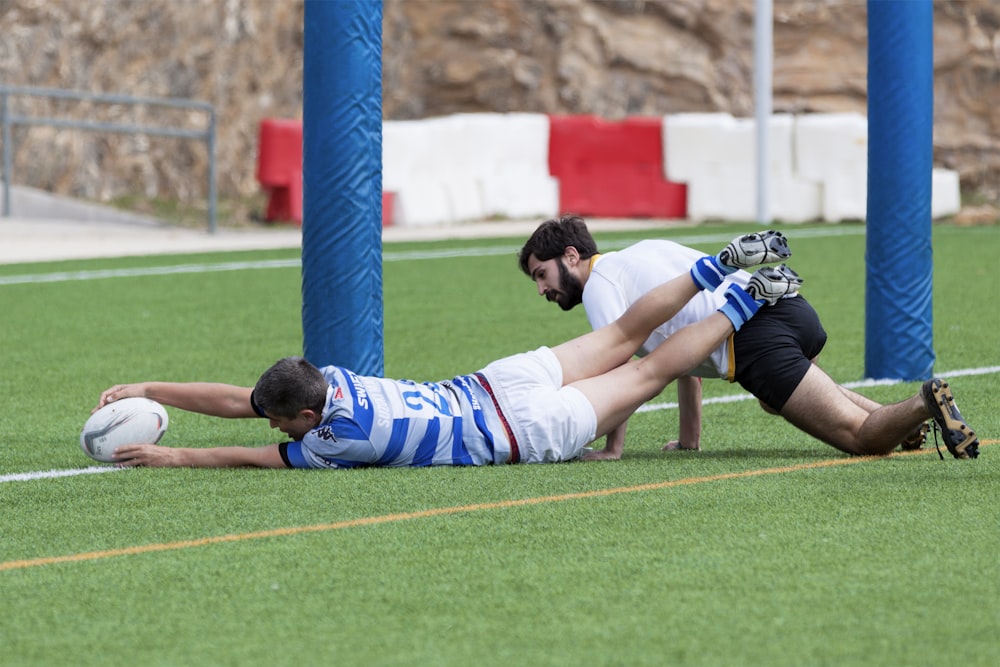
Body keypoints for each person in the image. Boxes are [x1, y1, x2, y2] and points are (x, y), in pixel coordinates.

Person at [92, 232, 802, 469]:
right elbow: (242, 405)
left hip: (519, 431)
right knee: (618, 339)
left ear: (308, 419)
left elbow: (240, 450)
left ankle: (748, 298)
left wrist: (171, 452)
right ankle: (717, 267)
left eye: (281, 424)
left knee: (646, 366)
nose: (274, 428)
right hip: (492, 383)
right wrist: (149, 386)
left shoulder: (339, 440)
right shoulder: (332, 381)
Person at [518, 215, 980, 460]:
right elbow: (684, 363)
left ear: (572, 255)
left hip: (749, 334)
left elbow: (619, 369)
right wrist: (689, 441)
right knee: (780, 399)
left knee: (860, 441)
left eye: (542, 275)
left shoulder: (600, 288)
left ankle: (922, 403)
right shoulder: (640, 253)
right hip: (785, 305)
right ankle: (901, 419)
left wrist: (612, 448)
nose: (542, 290)